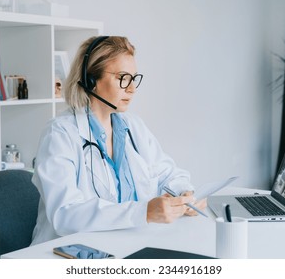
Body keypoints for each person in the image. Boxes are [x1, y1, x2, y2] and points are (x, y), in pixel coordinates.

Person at [30, 36, 206, 245]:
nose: (131, 88)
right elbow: (65, 214)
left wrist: (183, 193)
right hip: (71, 253)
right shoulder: (60, 134)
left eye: (133, 78)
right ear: (91, 80)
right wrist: (144, 212)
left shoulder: (133, 126)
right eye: (122, 77)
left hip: (125, 244)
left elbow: (167, 174)